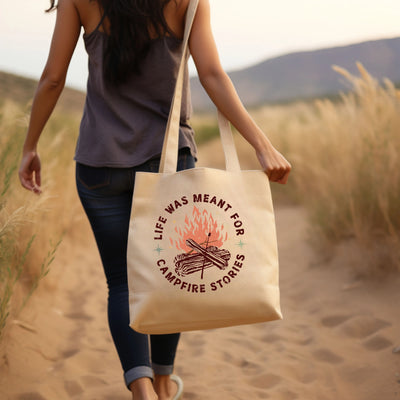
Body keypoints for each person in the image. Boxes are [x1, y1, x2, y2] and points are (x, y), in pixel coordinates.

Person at [19, 0, 291, 398]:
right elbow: (212, 75)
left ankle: (141, 388)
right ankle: (163, 384)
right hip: (169, 164)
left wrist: (30, 145)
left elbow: (52, 79)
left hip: (100, 164)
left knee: (122, 283)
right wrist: (262, 145)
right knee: (170, 277)